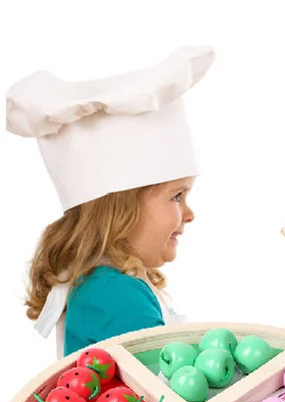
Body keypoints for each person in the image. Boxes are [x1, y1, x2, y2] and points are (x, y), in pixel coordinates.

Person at [6, 46, 214, 357]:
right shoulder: (114, 293)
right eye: (176, 196)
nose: (189, 213)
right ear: (120, 212)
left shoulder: (107, 284)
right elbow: (162, 383)